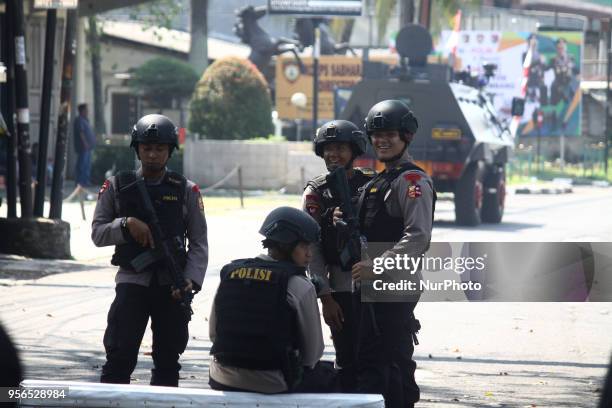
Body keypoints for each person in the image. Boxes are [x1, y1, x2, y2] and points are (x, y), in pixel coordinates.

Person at [91, 114, 208, 386]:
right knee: (119, 356)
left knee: (167, 361)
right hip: (133, 281)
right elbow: (98, 233)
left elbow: (199, 242)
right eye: (146, 148)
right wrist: (126, 224)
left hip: (172, 286)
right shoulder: (117, 186)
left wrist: (190, 280)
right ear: (137, 149)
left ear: (170, 151)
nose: (153, 155)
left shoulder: (186, 190)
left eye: (159, 149)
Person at [337, 100, 435, 407]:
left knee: (394, 365)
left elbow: (418, 238)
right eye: (376, 134)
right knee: (371, 364)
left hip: (393, 286)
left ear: (405, 136)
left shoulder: (412, 181)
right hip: (371, 287)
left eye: (390, 134)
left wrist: (376, 267)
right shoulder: (380, 180)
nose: (382, 140)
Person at [209, 206, 337, 394]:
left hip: (221, 376)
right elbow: (312, 355)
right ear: (286, 244)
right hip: (274, 381)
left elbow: (214, 334)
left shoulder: (230, 273)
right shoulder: (299, 285)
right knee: (333, 377)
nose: (309, 254)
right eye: (304, 246)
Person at [302, 120, 374, 392]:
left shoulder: (372, 184)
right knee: (346, 359)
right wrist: (326, 297)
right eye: (329, 149)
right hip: (341, 289)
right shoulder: (316, 192)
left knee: (376, 357)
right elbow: (313, 252)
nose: (334, 154)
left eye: (341, 148)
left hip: (375, 283)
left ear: (354, 150)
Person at [73, 103, 96, 187]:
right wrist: (85, 143)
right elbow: (81, 133)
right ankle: (80, 183)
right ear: (82, 110)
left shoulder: (85, 119)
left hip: (89, 147)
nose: (87, 111)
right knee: (82, 165)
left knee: (87, 166)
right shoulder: (79, 120)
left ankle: (85, 182)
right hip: (83, 147)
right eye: (86, 109)